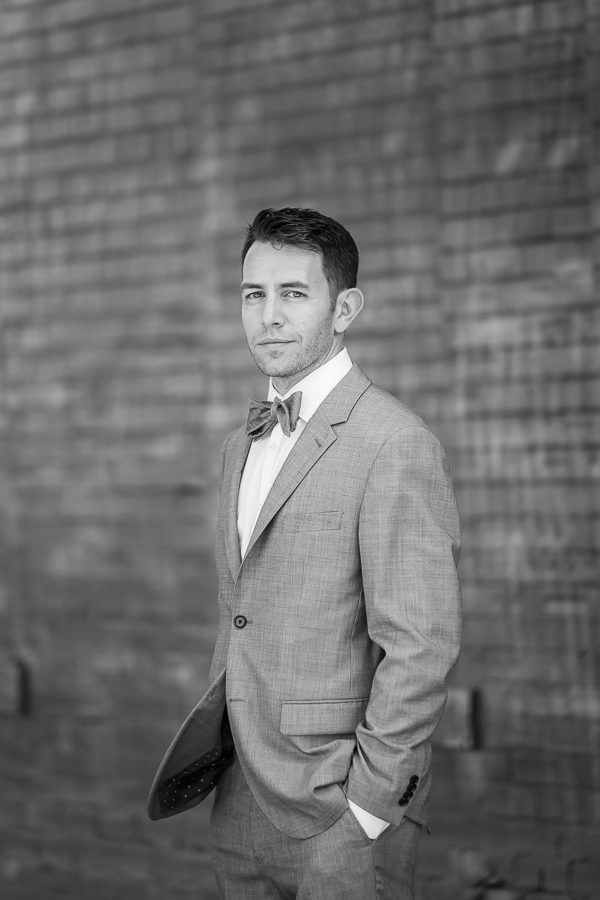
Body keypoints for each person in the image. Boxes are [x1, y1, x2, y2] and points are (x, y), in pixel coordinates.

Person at [148, 207, 462, 899]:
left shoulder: (394, 442)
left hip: (338, 810)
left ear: (345, 307)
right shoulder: (241, 444)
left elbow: (421, 643)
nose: (268, 316)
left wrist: (370, 807)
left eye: (294, 293)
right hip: (238, 796)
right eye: (253, 294)